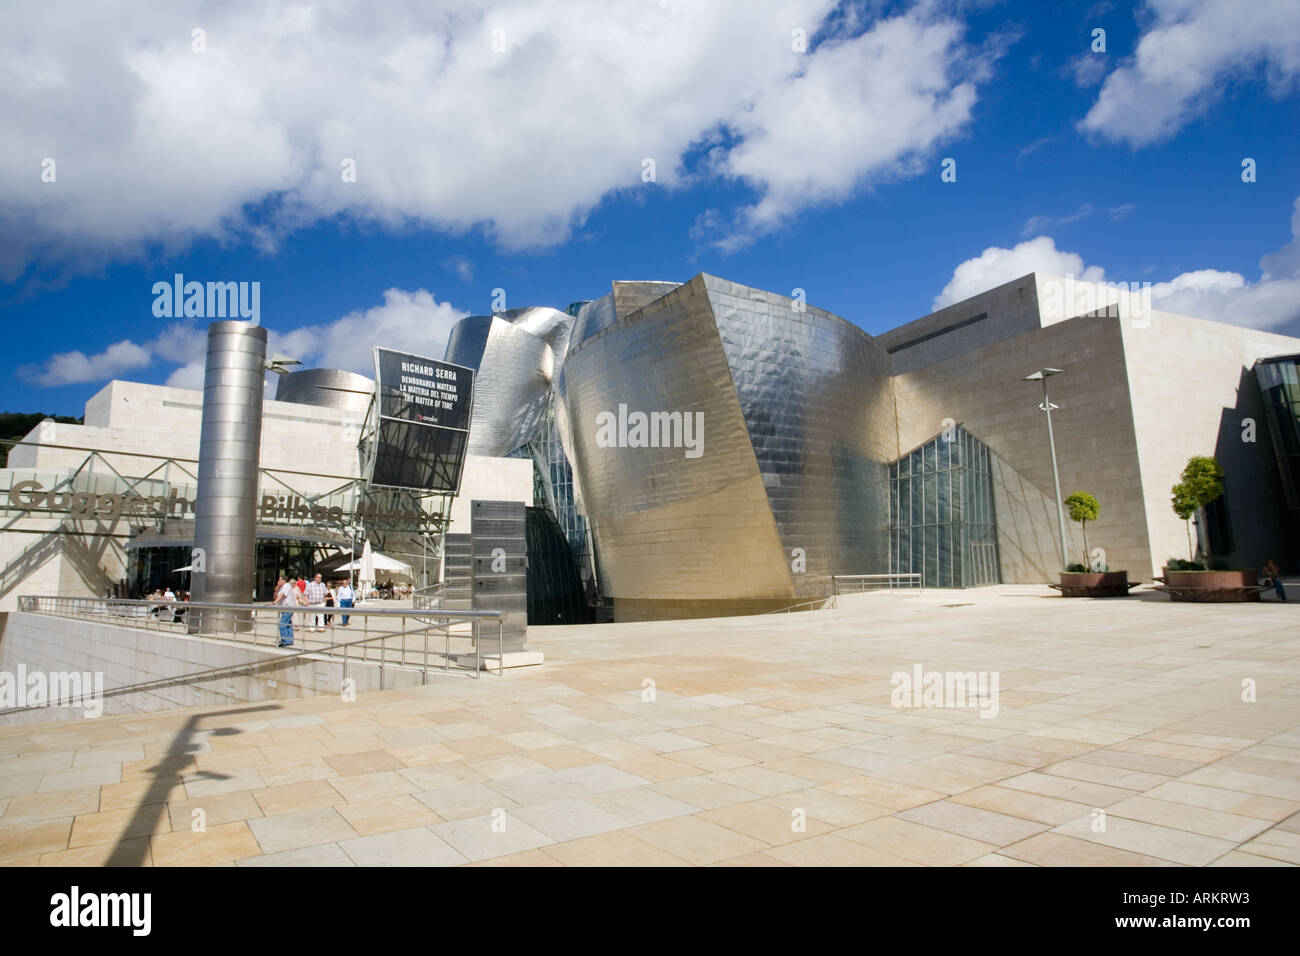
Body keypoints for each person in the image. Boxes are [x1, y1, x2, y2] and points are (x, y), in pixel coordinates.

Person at [273, 575, 296, 647]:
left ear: (283, 580)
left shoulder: (286, 586)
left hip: (288, 608)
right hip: (284, 608)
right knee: (288, 624)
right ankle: (289, 640)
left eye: (279, 580)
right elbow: (275, 596)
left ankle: (285, 641)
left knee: (282, 624)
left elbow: (282, 595)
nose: (278, 582)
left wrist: (274, 602)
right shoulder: (282, 587)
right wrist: (277, 588)